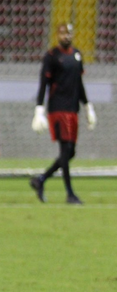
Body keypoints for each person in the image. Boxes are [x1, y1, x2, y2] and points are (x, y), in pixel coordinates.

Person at [30, 22, 96, 205]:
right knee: (65, 150)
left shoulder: (77, 55)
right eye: (62, 33)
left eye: (68, 33)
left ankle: (41, 179)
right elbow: (43, 84)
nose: (66, 36)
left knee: (70, 152)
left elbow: (79, 83)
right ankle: (70, 194)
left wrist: (87, 105)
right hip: (58, 108)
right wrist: (39, 109)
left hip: (73, 109)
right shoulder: (52, 56)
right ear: (57, 35)